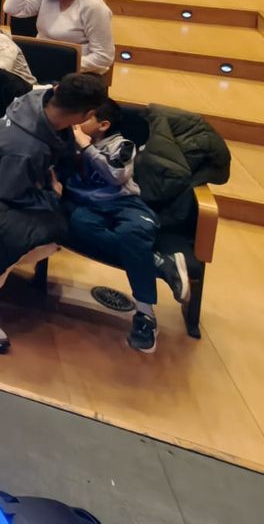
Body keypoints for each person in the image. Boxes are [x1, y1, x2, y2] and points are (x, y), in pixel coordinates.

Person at [0, 74, 109, 352]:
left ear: (55, 88)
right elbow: (10, 192)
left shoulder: (35, 98)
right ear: (87, 114)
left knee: (54, 218)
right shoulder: (24, 148)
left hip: (1, 175)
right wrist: (51, 194)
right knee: (41, 235)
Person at [61, 101, 167, 353]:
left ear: (103, 125)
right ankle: (157, 262)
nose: (76, 121)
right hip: (90, 208)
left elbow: (116, 174)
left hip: (124, 204)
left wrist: (85, 147)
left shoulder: (122, 145)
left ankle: (145, 314)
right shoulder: (70, 140)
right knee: (80, 225)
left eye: (85, 117)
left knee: (133, 234)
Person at [4, 0, 115, 76]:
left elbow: (104, 56)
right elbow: (11, 9)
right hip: (41, 62)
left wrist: (62, 65)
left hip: (78, 71)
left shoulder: (93, 6)